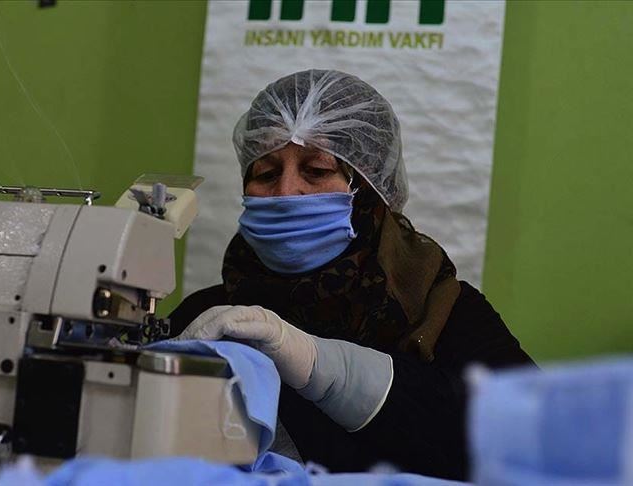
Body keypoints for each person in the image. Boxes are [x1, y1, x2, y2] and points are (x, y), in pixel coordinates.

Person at [169, 69, 534, 480]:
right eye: (266, 173)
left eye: (317, 169)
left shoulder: (443, 312)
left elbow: (530, 442)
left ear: (370, 189)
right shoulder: (209, 319)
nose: (287, 191)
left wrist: (321, 366)